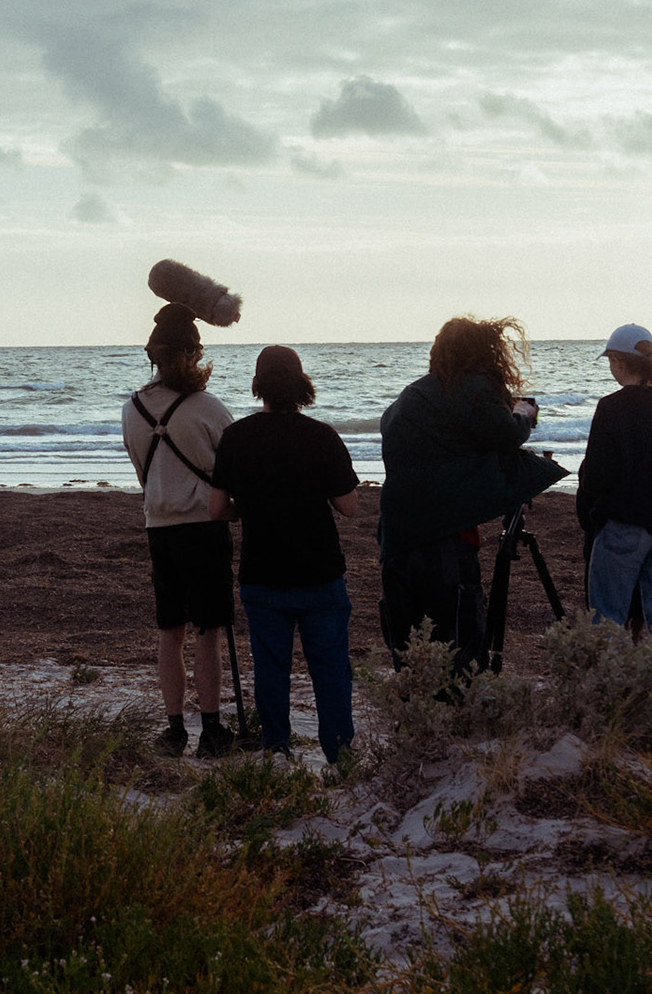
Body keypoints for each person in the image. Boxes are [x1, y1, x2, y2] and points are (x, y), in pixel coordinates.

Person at [377, 317, 565, 677]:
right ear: (484, 354)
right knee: (459, 643)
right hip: (444, 538)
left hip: (396, 538)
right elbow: (507, 436)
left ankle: (418, 721)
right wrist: (523, 413)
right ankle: (463, 720)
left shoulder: (412, 395)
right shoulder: (472, 387)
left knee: (410, 648)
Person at [208, 346, 360, 765]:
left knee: (271, 669)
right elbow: (349, 507)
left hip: (262, 572)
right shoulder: (321, 436)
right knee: (330, 670)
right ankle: (339, 755)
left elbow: (217, 509)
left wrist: (248, 507)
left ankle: (276, 751)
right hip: (319, 572)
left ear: (259, 386)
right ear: (300, 383)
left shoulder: (237, 436)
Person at [121, 303, 236, 757]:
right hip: (203, 528)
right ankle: (211, 729)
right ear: (191, 354)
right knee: (208, 631)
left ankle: (174, 730)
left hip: (159, 529)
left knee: (170, 631)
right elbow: (231, 469)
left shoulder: (132, 409)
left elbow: (141, 473)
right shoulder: (208, 407)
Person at [574, 324, 652, 668]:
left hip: (624, 525)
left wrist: (589, 516)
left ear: (617, 361)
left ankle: (609, 694)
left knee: (608, 618)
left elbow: (596, 473)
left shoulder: (612, 407)